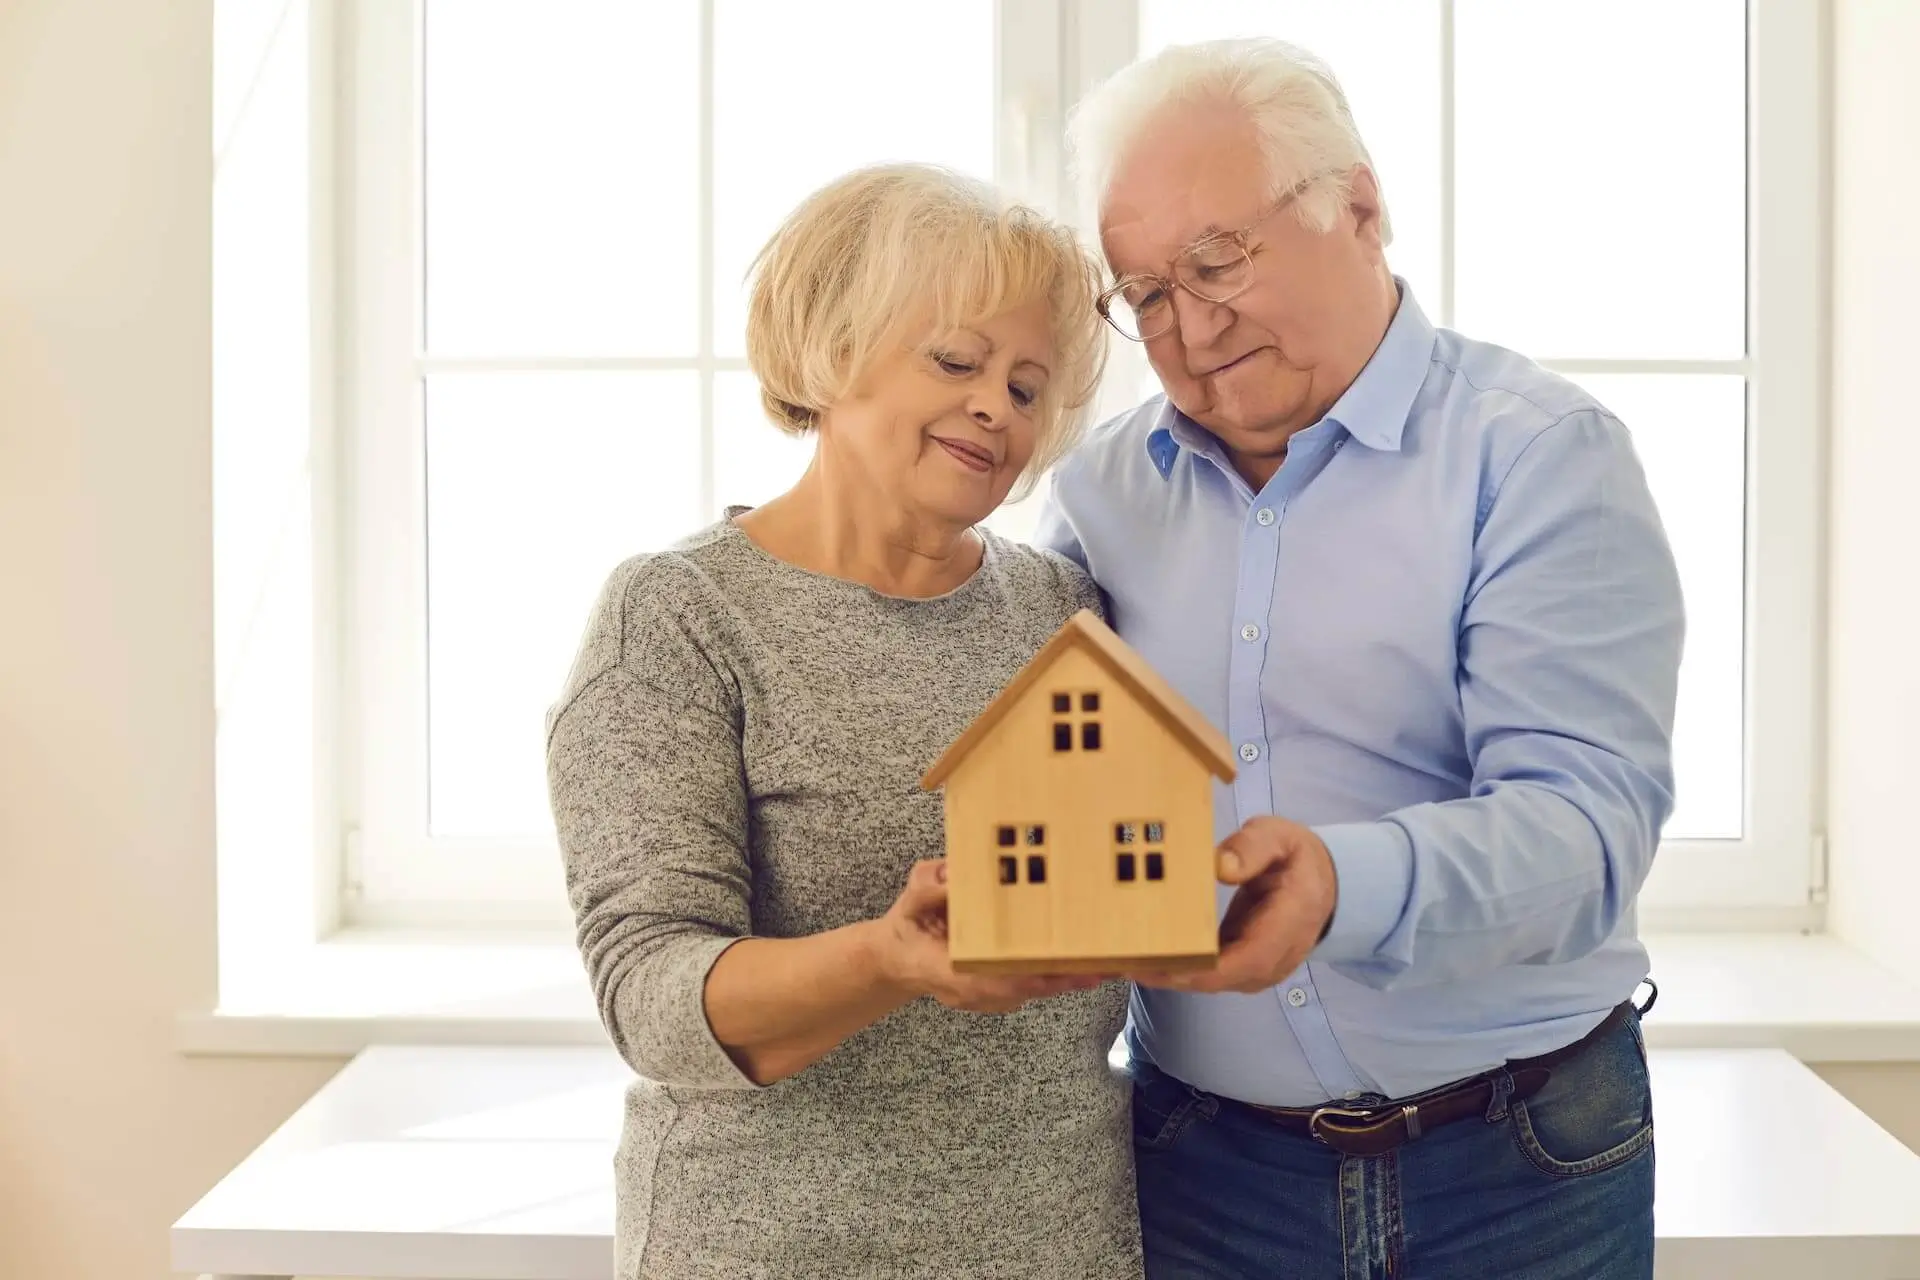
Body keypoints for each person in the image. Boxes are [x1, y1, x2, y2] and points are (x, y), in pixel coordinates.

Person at [1034, 38, 1684, 1279]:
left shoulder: (1539, 456)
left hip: (1519, 1161)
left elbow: (1588, 830)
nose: (1192, 324)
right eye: (1149, 295)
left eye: (1218, 259)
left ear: (1361, 206)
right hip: (1198, 1162)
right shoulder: (1099, 494)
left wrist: (1342, 881)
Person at [545, 163, 1142, 1278]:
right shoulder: (678, 616)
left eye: (1027, 386)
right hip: (770, 1249)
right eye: (956, 360)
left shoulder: (1064, 612)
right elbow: (652, 995)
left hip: (1056, 1241)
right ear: (832, 344)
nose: (995, 408)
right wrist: (888, 957)